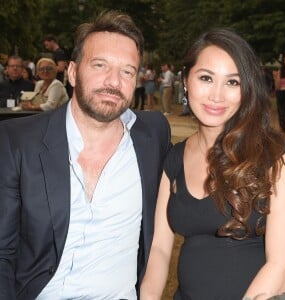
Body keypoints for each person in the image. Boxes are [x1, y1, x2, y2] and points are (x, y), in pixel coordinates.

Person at [0, 10, 171, 300]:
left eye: (127, 71)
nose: (113, 81)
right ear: (72, 72)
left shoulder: (153, 135)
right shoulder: (19, 142)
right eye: (100, 65)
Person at [140, 28, 285, 300]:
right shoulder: (174, 158)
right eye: (206, 78)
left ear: (247, 89)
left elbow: (283, 265)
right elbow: (159, 250)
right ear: (186, 80)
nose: (217, 95)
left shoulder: (277, 157)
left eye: (233, 83)